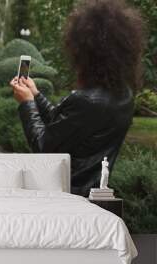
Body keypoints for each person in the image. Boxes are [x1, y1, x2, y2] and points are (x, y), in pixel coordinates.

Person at [10, 0, 145, 197]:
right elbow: (63, 124)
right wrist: (36, 95)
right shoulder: (122, 95)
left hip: (69, 195)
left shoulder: (88, 101)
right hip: (92, 192)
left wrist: (26, 103)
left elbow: (43, 145)